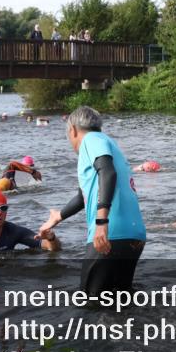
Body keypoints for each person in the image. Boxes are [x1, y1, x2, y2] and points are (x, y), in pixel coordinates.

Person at [36, 106, 146, 294]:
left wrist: (102, 223)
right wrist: (58, 216)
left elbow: (107, 172)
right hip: (134, 234)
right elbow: (82, 197)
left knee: (91, 304)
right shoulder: (109, 143)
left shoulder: (90, 140)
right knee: (120, 303)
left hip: (111, 233)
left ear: (73, 130)